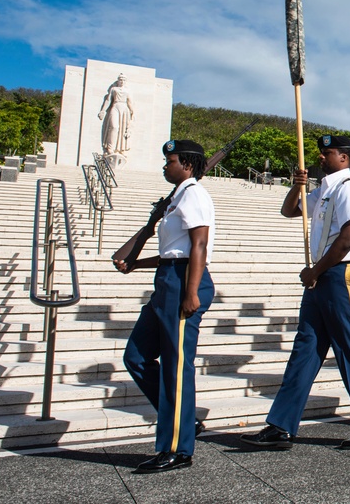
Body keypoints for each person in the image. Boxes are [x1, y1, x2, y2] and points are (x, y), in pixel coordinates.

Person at [240, 135, 350, 451]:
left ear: (344, 158)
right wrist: (298, 185)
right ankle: (281, 425)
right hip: (322, 275)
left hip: (341, 272)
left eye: (328, 153)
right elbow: (289, 210)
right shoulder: (323, 191)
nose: (320, 157)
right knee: (305, 348)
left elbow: (348, 237)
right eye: (320, 152)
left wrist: (315, 271)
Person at [116, 139, 215, 473]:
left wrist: (191, 292)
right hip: (168, 278)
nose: (164, 166)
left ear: (187, 164)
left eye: (169, 160)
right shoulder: (177, 199)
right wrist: (138, 262)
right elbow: (172, 251)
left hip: (185, 281)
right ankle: (184, 421)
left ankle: (176, 448)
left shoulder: (194, 195)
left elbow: (198, 244)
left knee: (175, 366)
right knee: (136, 356)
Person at [98, 73, 134, 156]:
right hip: (115, 106)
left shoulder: (127, 91)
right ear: (118, 80)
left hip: (124, 108)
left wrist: (133, 112)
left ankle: (121, 149)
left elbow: (130, 102)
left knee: (122, 129)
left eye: (124, 80)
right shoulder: (114, 89)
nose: (122, 81)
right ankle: (110, 147)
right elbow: (108, 100)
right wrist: (103, 111)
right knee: (114, 127)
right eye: (121, 79)